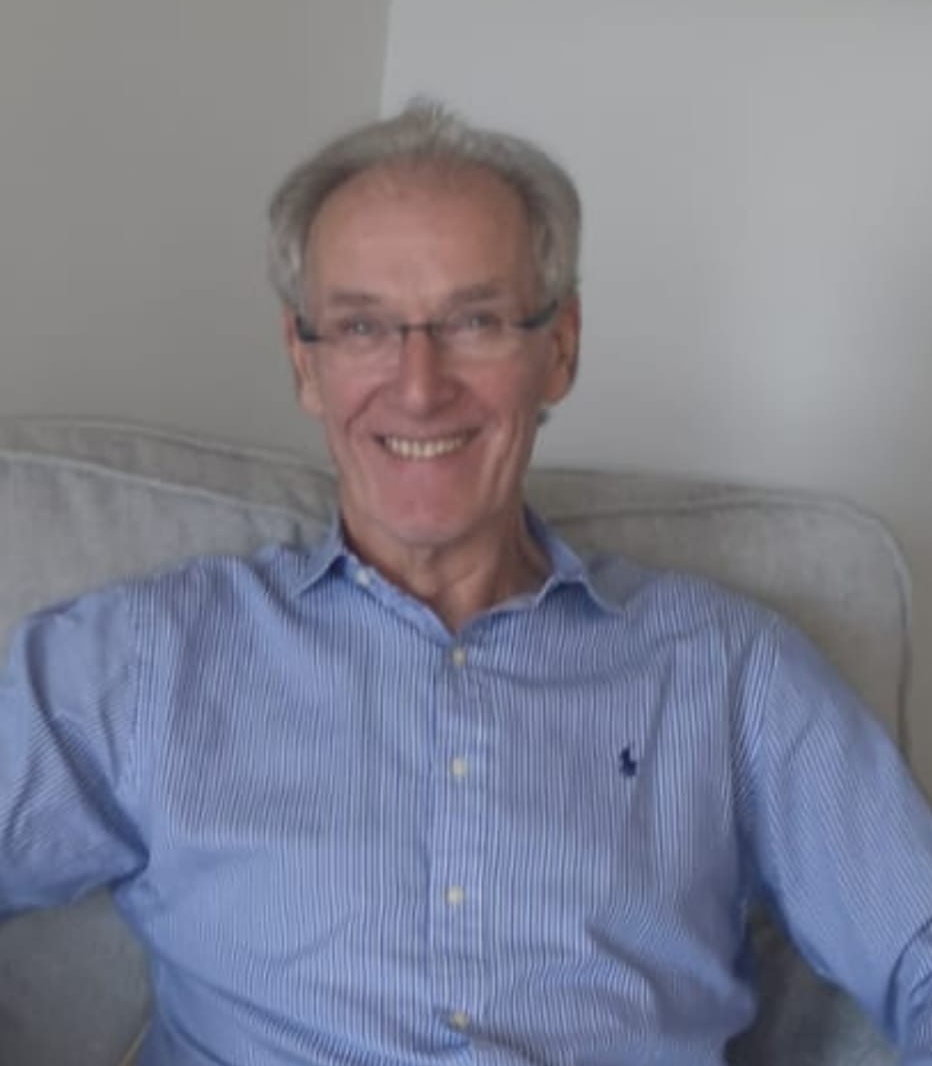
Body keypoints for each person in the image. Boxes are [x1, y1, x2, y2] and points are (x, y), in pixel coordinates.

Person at [2, 100, 932, 1066]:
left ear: (559, 348)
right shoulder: (148, 660)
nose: (419, 386)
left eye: (475, 321)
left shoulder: (730, 670)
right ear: (305, 363)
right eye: (362, 326)